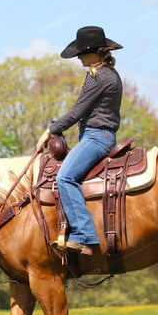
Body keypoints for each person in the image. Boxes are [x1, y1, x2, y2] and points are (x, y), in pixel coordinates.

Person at [36, 26, 123, 256]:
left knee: (65, 177)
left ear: (92, 52)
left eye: (81, 54)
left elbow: (76, 112)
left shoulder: (100, 76)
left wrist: (50, 131)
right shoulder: (107, 74)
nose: (79, 59)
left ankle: (84, 236)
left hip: (97, 137)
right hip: (98, 135)